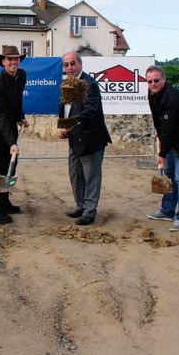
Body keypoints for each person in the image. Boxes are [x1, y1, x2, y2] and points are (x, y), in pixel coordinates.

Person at [59, 52, 111, 226]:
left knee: (91, 176)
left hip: (91, 139)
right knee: (75, 174)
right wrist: (64, 128)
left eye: (72, 63)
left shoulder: (90, 84)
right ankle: (80, 205)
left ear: (80, 64)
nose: (69, 68)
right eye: (66, 65)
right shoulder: (66, 84)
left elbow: (89, 111)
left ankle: (90, 211)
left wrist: (70, 126)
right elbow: (66, 108)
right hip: (74, 138)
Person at [145, 65, 179, 231]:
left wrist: (162, 153)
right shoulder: (153, 94)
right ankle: (167, 210)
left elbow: (169, 128)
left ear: (164, 80)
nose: (153, 84)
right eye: (150, 81)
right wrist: (159, 134)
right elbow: (157, 118)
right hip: (170, 137)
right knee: (168, 176)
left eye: (156, 80)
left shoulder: (173, 98)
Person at [0, 45, 29, 225]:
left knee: (12, 167)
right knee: (0, 168)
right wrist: (12, 142)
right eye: (9, 59)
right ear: (3, 62)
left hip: (9, 125)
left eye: (16, 59)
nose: (13, 62)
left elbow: (17, 100)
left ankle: (6, 201)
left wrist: (21, 117)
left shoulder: (21, 75)